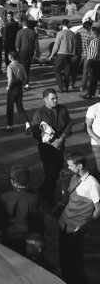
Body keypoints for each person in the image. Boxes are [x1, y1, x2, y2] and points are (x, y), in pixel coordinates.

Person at [58, 152, 100, 284]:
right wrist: (63, 183)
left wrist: (88, 223)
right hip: (64, 224)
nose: (69, 168)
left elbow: (98, 207)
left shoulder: (92, 183)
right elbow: (66, 198)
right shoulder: (73, 178)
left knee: (75, 261)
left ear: (80, 166)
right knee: (64, 257)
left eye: (71, 165)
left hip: (76, 228)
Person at [31, 88, 71, 205]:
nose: (55, 101)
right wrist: (53, 142)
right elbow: (36, 133)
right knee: (51, 173)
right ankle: (49, 198)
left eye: (56, 98)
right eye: (52, 98)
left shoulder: (62, 110)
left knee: (57, 170)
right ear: (45, 99)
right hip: (46, 148)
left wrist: (61, 139)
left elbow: (68, 124)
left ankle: (43, 189)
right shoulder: (39, 114)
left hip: (60, 146)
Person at [0, 165, 44, 255]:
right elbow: (38, 223)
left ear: (13, 181)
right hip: (26, 241)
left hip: (7, 238)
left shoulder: (5, 196)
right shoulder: (33, 198)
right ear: (29, 181)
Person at [3, 51, 31, 133]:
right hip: (19, 87)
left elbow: (10, 79)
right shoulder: (21, 66)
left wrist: (8, 86)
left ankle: (9, 125)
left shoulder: (10, 66)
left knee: (10, 107)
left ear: (11, 57)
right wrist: (22, 84)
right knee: (20, 107)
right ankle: (27, 124)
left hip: (12, 87)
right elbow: (25, 77)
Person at [48, 19, 76, 93]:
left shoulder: (60, 33)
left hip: (61, 54)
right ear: (68, 25)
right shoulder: (73, 33)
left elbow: (56, 45)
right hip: (70, 54)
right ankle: (66, 87)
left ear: (61, 25)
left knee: (56, 70)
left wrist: (51, 54)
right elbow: (75, 45)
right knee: (67, 72)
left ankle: (62, 86)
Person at [16, 18, 40, 90]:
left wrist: (17, 52)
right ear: (28, 24)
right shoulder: (33, 32)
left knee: (23, 67)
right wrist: (37, 52)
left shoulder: (20, 32)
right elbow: (36, 43)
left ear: (22, 25)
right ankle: (26, 82)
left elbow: (17, 44)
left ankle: (25, 83)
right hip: (31, 51)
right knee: (28, 67)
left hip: (22, 51)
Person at [81, 26, 100, 100]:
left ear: (94, 33)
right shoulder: (98, 40)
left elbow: (94, 53)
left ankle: (90, 94)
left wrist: (89, 61)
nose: (89, 34)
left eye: (91, 32)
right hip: (97, 61)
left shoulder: (94, 41)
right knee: (96, 78)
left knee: (92, 79)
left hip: (93, 61)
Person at [75, 21, 92, 92]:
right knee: (85, 71)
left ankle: (71, 84)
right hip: (87, 54)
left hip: (79, 53)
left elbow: (76, 43)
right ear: (88, 27)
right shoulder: (90, 34)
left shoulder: (78, 32)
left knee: (75, 70)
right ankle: (82, 87)